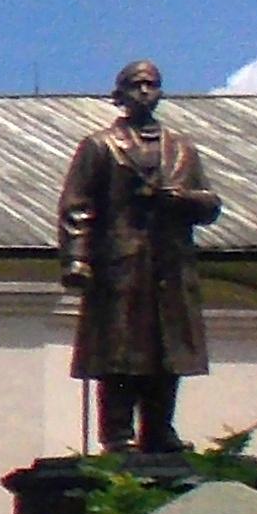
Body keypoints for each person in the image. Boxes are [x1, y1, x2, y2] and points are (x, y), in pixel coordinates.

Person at [57, 59, 221, 455]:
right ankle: (117, 433)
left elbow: (211, 204)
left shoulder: (182, 149)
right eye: (136, 85)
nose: (145, 92)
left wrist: (185, 200)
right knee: (119, 352)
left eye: (152, 85)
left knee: (167, 351)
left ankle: (159, 429)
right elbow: (77, 207)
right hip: (121, 264)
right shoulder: (99, 146)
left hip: (170, 265)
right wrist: (77, 260)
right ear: (120, 95)